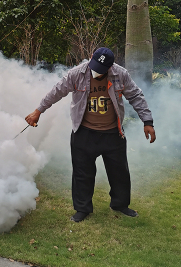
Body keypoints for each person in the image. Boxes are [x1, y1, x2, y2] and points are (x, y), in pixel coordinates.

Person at [25, 47, 156, 223]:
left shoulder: (121, 74)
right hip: (84, 133)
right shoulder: (76, 74)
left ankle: (120, 204)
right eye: (94, 68)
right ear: (90, 59)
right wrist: (38, 111)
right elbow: (56, 91)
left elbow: (136, 96)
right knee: (82, 173)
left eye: (101, 70)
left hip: (112, 133)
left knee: (119, 172)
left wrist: (147, 121)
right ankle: (82, 208)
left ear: (110, 67)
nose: (96, 73)